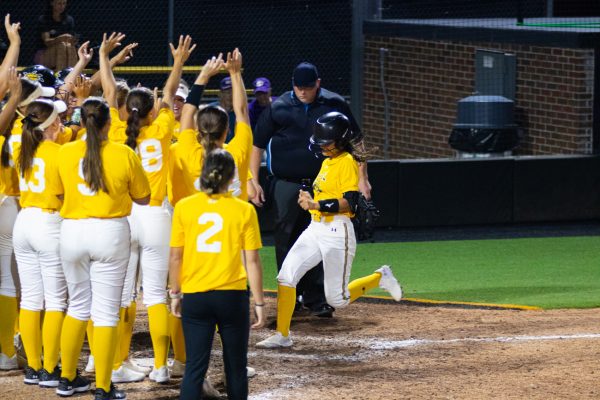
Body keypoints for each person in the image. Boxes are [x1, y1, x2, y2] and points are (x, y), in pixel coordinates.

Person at [256, 112, 401, 349]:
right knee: (286, 276)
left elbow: (349, 203)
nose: (322, 146)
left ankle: (380, 277)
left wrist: (316, 204)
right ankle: (282, 334)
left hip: (337, 232)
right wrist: (310, 198)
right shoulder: (327, 161)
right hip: (315, 228)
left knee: (338, 299)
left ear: (341, 140)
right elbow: (326, 193)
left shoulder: (347, 163)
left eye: (327, 142)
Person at [100, 31, 195, 385]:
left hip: (125, 220)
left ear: (126, 111)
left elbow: (110, 93)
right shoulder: (162, 128)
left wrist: (103, 57)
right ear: (153, 110)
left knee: (122, 293)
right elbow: (170, 95)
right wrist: (178, 62)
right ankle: (160, 364)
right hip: (156, 216)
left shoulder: (115, 133)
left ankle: (115, 361)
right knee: (155, 294)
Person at [251, 62, 372, 318]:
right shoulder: (279, 106)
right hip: (286, 181)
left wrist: (363, 178)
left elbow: (356, 140)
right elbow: (257, 144)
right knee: (286, 236)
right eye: (298, 87)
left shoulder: (335, 103)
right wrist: (253, 179)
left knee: (324, 237)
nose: (302, 92)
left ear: (317, 83)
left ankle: (317, 298)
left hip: (326, 181)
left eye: (307, 87)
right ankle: (290, 296)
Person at [55, 93, 150, 400]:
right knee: (106, 313)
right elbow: (144, 197)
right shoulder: (123, 153)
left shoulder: (65, 152)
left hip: (71, 232)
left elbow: (57, 194)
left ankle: (67, 379)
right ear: (109, 123)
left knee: (77, 308)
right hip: (109, 233)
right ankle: (103, 386)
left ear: (81, 122)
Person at [169, 148, 265, 400]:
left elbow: (176, 256)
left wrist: (175, 292)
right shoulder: (244, 210)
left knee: (194, 368)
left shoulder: (184, 207)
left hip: (196, 295)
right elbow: (252, 261)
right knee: (236, 367)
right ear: (231, 176)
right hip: (232, 296)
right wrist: (259, 302)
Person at [11, 96, 67, 387]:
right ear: (51, 124)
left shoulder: (22, 147)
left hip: (25, 222)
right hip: (48, 223)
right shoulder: (59, 152)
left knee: (32, 298)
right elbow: (62, 194)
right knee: (56, 300)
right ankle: (50, 367)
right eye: (57, 119)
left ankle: (33, 367)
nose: (61, 122)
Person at [0, 67, 22, 371]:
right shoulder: (17, 136)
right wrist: (16, 95)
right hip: (6, 206)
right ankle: (6, 352)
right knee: (6, 278)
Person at [35, 0, 77, 71]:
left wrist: (73, 40)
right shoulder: (44, 19)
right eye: (59, 3)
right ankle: (60, 76)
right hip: (45, 54)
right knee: (61, 46)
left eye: (64, 3)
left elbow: (72, 40)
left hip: (65, 51)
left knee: (70, 46)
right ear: (52, 3)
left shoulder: (69, 20)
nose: (62, 6)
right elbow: (46, 42)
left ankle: (71, 75)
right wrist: (60, 38)